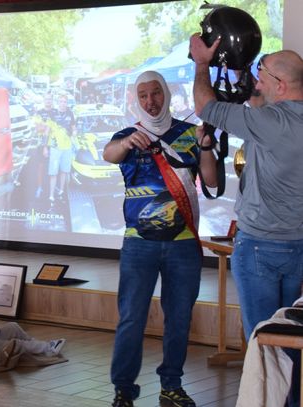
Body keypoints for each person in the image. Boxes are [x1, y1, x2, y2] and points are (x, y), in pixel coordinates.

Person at [102, 71, 217, 407]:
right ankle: (123, 389)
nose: (150, 101)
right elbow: (109, 154)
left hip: (183, 243)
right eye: (143, 95)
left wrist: (206, 146)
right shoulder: (128, 135)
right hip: (139, 244)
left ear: (166, 94)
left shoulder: (189, 133)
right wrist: (126, 143)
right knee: (131, 318)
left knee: (179, 319)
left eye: (155, 93)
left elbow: (211, 180)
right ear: (136, 100)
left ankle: (172, 385)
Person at [189, 35, 303, 341]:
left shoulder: (270, 123)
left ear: (281, 86)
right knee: (292, 341)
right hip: (298, 246)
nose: (258, 84)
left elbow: (204, 106)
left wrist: (202, 63)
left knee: (264, 341)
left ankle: (264, 375)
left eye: (263, 79)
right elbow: (258, 100)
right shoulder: (280, 120)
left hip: (260, 246)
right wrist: (242, 69)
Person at [47, 93, 75, 205]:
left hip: (67, 147)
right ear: (58, 102)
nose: (63, 104)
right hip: (55, 147)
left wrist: (74, 133)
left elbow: (73, 128)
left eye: (65, 102)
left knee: (64, 171)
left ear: (67, 103)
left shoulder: (70, 113)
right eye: (61, 101)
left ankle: (61, 191)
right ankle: (51, 195)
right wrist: (45, 147)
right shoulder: (52, 113)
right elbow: (47, 130)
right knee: (53, 172)